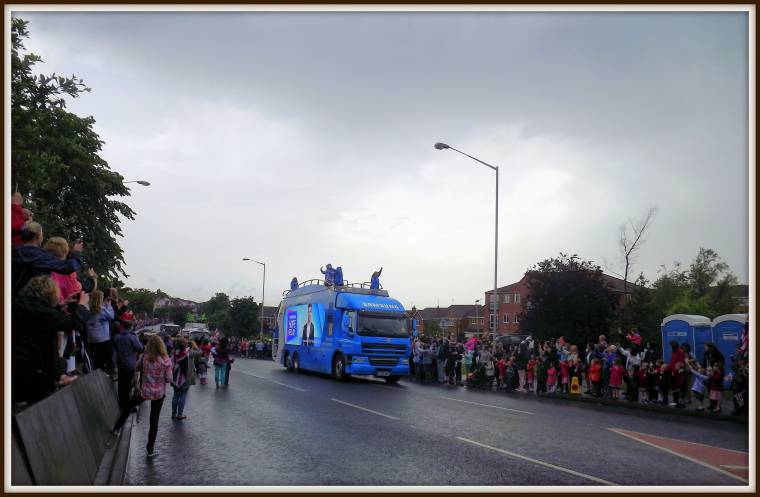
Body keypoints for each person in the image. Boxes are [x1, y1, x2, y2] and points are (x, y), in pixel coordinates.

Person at [12, 275, 89, 405]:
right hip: (34, 373)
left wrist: (62, 304)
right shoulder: (44, 315)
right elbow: (72, 323)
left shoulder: (21, 306)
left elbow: (45, 317)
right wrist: (82, 306)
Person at [112, 335, 173, 458]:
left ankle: (116, 428)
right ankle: (150, 450)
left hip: (144, 391)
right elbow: (169, 379)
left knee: (128, 407)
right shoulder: (166, 360)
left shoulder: (144, 357)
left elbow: (137, 368)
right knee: (154, 421)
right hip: (159, 394)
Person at [11, 222, 83, 293]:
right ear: (38, 236)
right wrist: (76, 252)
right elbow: (69, 267)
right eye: (42, 233)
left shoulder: (12, 251)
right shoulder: (42, 257)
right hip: (27, 299)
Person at [112, 318, 143, 410]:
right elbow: (140, 348)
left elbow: (114, 350)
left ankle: (121, 403)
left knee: (121, 384)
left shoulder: (117, 337)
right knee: (129, 385)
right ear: (131, 327)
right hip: (130, 364)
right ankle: (127, 405)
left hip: (120, 363)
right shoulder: (132, 337)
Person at [86, 290, 115, 374]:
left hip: (91, 338)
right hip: (102, 338)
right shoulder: (101, 310)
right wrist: (108, 305)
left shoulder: (88, 308)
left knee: (94, 359)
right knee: (101, 360)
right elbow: (112, 316)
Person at [171, 337, 200, 420]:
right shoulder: (189, 352)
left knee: (175, 395)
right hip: (186, 377)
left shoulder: (174, 352)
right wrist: (194, 345)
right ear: (185, 344)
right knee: (183, 394)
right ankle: (179, 414)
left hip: (175, 377)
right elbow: (200, 352)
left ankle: (173, 413)